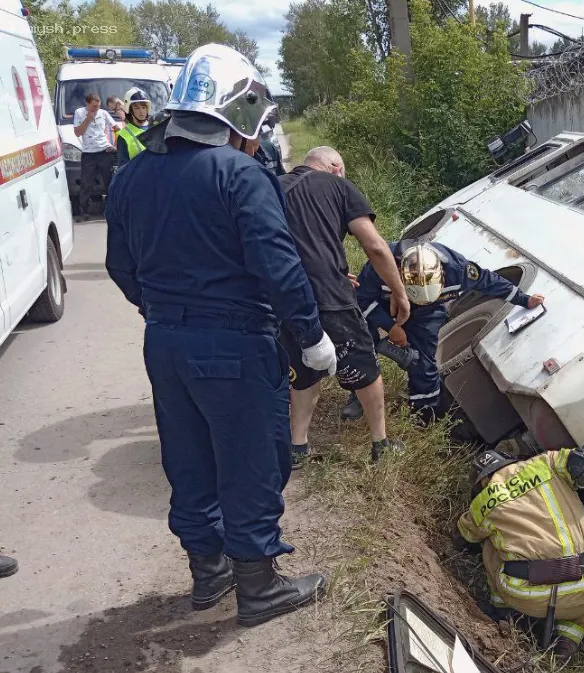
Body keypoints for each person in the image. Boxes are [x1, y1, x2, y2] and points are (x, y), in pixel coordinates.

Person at [105, 43, 333, 627]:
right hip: (235, 343)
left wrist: (163, 310)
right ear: (238, 111)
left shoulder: (131, 175)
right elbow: (279, 266)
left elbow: (119, 266)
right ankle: (258, 588)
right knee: (253, 460)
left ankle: (209, 572)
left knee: (189, 458)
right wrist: (311, 336)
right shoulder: (241, 174)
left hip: (164, 343)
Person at [277, 146, 408, 465]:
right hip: (331, 299)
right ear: (335, 167)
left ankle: (298, 447)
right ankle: (380, 444)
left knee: (303, 372)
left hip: (286, 299)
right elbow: (375, 246)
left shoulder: (273, 187)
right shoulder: (339, 185)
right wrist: (399, 292)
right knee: (364, 367)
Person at [343, 241, 544, 423]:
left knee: (423, 361)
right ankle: (360, 393)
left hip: (428, 312)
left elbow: (490, 282)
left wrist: (525, 300)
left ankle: (425, 412)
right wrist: (391, 327)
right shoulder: (380, 265)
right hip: (384, 302)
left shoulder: (459, 270)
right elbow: (362, 300)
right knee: (356, 334)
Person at [455, 445, 584, 661]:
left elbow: (464, 538)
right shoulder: (545, 463)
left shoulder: (483, 502)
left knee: (490, 543)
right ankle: (566, 642)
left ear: (482, 481)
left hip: (527, 595)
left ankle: (505, 613)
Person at [73, 92, 121, 219]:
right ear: (87, 104)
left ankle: (111, 209)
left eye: (98, 106)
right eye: (94, 106)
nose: (96, 109)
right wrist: (88, 119)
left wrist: (116, 146)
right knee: (86, 183)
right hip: (89, 153)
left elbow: (117, 129)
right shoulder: (79, 113)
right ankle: (84, 210)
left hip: (105, 151)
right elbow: (77, 133)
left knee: (110, 182)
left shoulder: (103, 113)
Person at [115, 87, 152, 167]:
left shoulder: (156, 128)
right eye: (136, 108)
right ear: (129, 110)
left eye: (143, 107)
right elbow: (123, 167)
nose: (141, 111)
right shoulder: (123, 136)